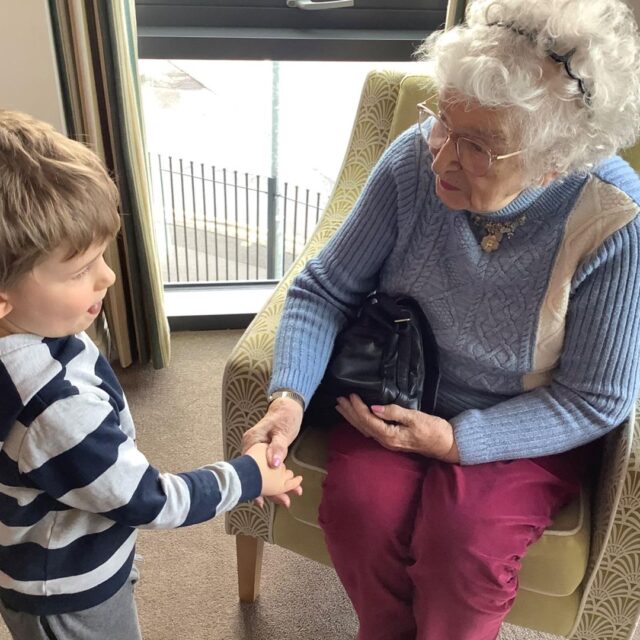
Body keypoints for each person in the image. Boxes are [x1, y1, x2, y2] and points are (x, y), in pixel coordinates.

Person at [242, 0, 640, 637]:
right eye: (443, 123)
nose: (441, 159)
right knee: (358, 510)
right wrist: (288, 398)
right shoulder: (411, 162)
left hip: (523, 421)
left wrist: (459, 441)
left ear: (555, 160)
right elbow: (324, 290)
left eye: (479, 146)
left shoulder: (613, 219)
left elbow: (597, 397)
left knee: (466, 546)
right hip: (398, 386)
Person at [0, 109, 303, 640]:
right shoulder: (55, 408)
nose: (108, 276)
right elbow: (148, 499)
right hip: (68, 591)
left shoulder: (33, 334)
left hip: (55, 556)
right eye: (79, 270)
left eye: (102, 256)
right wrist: (249, 474)